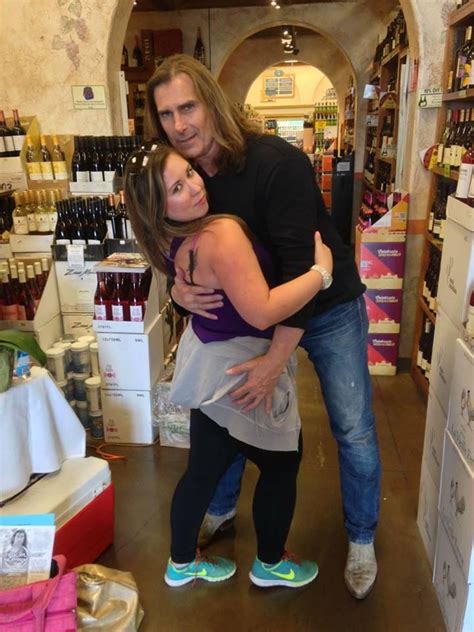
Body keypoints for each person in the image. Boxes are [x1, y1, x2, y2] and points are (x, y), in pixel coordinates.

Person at [145, 54, 381, 600]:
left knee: (352, 427)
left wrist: (277, 361)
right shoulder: (186, 175)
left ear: (212, 102)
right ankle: (225, 509)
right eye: (166, 115)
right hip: (254, 313)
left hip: (325, 305)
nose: (180, 125)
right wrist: (177, 289)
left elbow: (305, 269)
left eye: (188, 107)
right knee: (229, 417)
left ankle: (363, 536)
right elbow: (171, 240)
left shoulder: (279, 164)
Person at [124, 143, 333, 588]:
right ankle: (271, 564)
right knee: (281, 464)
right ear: (158, 206)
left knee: (202, 467)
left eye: (190, 173)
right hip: (241, 364)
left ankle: (181, 563)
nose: (196, 187)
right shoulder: (220, 235)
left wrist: (180, 294)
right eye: (176, 188)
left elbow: (184, 282)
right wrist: (321, 275)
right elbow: (262, 312)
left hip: (207, 359)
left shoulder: (168, 236)